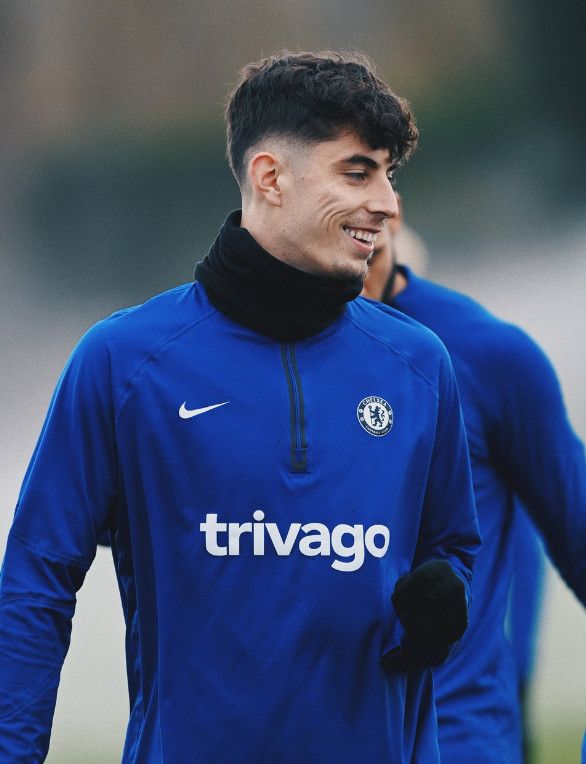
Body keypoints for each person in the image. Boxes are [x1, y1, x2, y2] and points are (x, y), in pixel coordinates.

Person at [0, 51, 481, 762]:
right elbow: (36, 580)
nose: (386, 202)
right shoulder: (125, 363)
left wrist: (441, 608)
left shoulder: (419, 365)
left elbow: (452, 548)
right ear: (270, 177)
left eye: (389, 173)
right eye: (358, 172)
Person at [363, 201, 586, 763]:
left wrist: (521, 677)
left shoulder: (488, 356)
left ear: (393, 212)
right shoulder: (249, 363)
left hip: (461, 739)